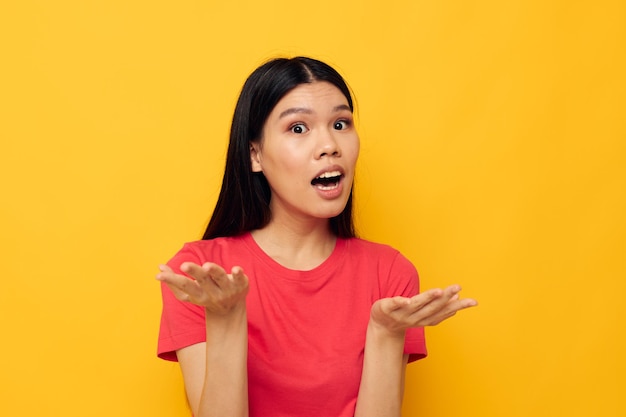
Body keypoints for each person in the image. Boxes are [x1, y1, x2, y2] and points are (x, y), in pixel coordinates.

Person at [156, 56, 477, 417]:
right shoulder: (203, 274)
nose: (329, 145)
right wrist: (226, 319)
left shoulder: (389, 273)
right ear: (254, 154)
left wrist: (385, 333)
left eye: (340, 124)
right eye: (298, 128)